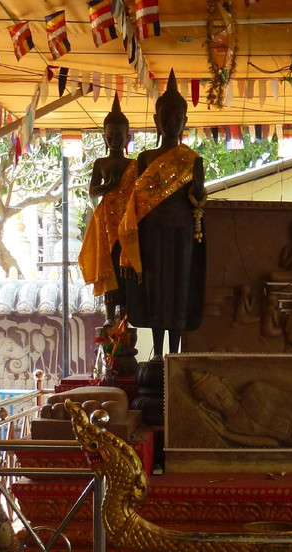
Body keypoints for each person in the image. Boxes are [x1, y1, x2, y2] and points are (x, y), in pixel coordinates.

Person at [118, 70, 206, 358]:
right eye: (166, 116)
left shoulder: (192, 160)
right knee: (155, 287)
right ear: (156, 121)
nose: (171, 121)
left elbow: (198, 202)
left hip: (182, 230)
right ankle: (158, 353)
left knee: (179, 288)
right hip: (152, 232)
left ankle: (175, 353)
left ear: (185, 122)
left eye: (177, 116)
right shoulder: (145, 158)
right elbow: (134, 203)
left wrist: (199, 191)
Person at [78, 94, 136, 311]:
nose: (114, 139)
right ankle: (110, 316)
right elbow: (92, 192)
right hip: (106, 221)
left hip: (127, 220)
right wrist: (108, 187)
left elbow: (138, 194)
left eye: (119, 135)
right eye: (110, 136)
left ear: (127, 137)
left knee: (127, 266)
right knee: (108, 264)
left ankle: (126, 315)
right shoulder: (100, 163)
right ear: (104, 138)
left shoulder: (133, 164)